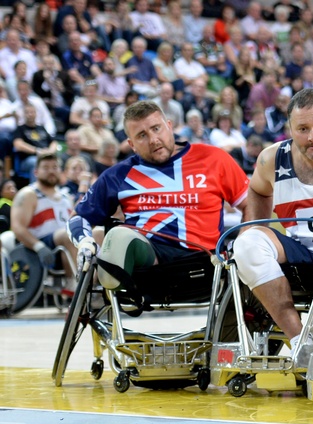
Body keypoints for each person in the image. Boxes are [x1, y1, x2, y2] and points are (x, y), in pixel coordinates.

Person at [68, 101, 248, 295]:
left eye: (156, 128)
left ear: (169, 126)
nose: (153, 139)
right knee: (117, 236)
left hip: (206, 262)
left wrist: (244, 241)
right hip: (149, 266)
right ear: (132, 145)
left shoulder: (214, 158)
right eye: (142, 135)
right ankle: (111, 289)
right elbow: (78, 217)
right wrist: (85, 242)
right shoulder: (118, 175)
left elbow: (251, 203)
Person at [234, 89, 313, 366]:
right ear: (290, 129)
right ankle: (301, 341)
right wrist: (251, 227)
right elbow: (257, 191)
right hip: (303, 254)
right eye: (303, 128)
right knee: (247, 245)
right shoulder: (271, 159)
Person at [9, 154, 77, 276]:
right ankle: (78, 287)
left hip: (66, 245)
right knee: (67, 234)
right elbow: (17, 227)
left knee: (98, 232)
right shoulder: (28, 194)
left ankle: (97, 286)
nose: (51, 171)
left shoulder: (66, 196)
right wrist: (38, 246)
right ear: (36, 172)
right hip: (39, 248)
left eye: (55, 167)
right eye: (46, 167)